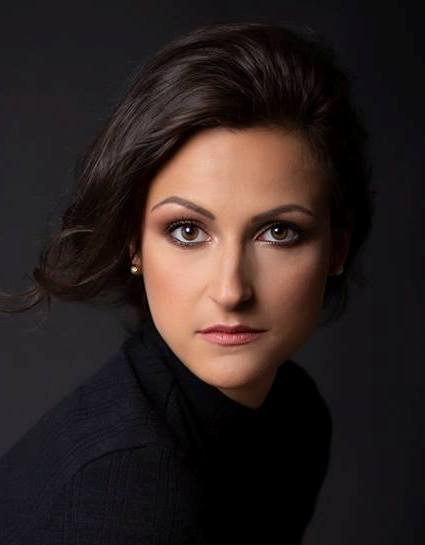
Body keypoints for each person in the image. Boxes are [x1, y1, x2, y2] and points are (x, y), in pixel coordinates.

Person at [0, 19, 376, 544]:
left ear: (337, 246)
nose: (231, 290)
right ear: (133, 243)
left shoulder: (293, 418)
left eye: (278, 231)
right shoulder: (126, 489)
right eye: (187, 231)